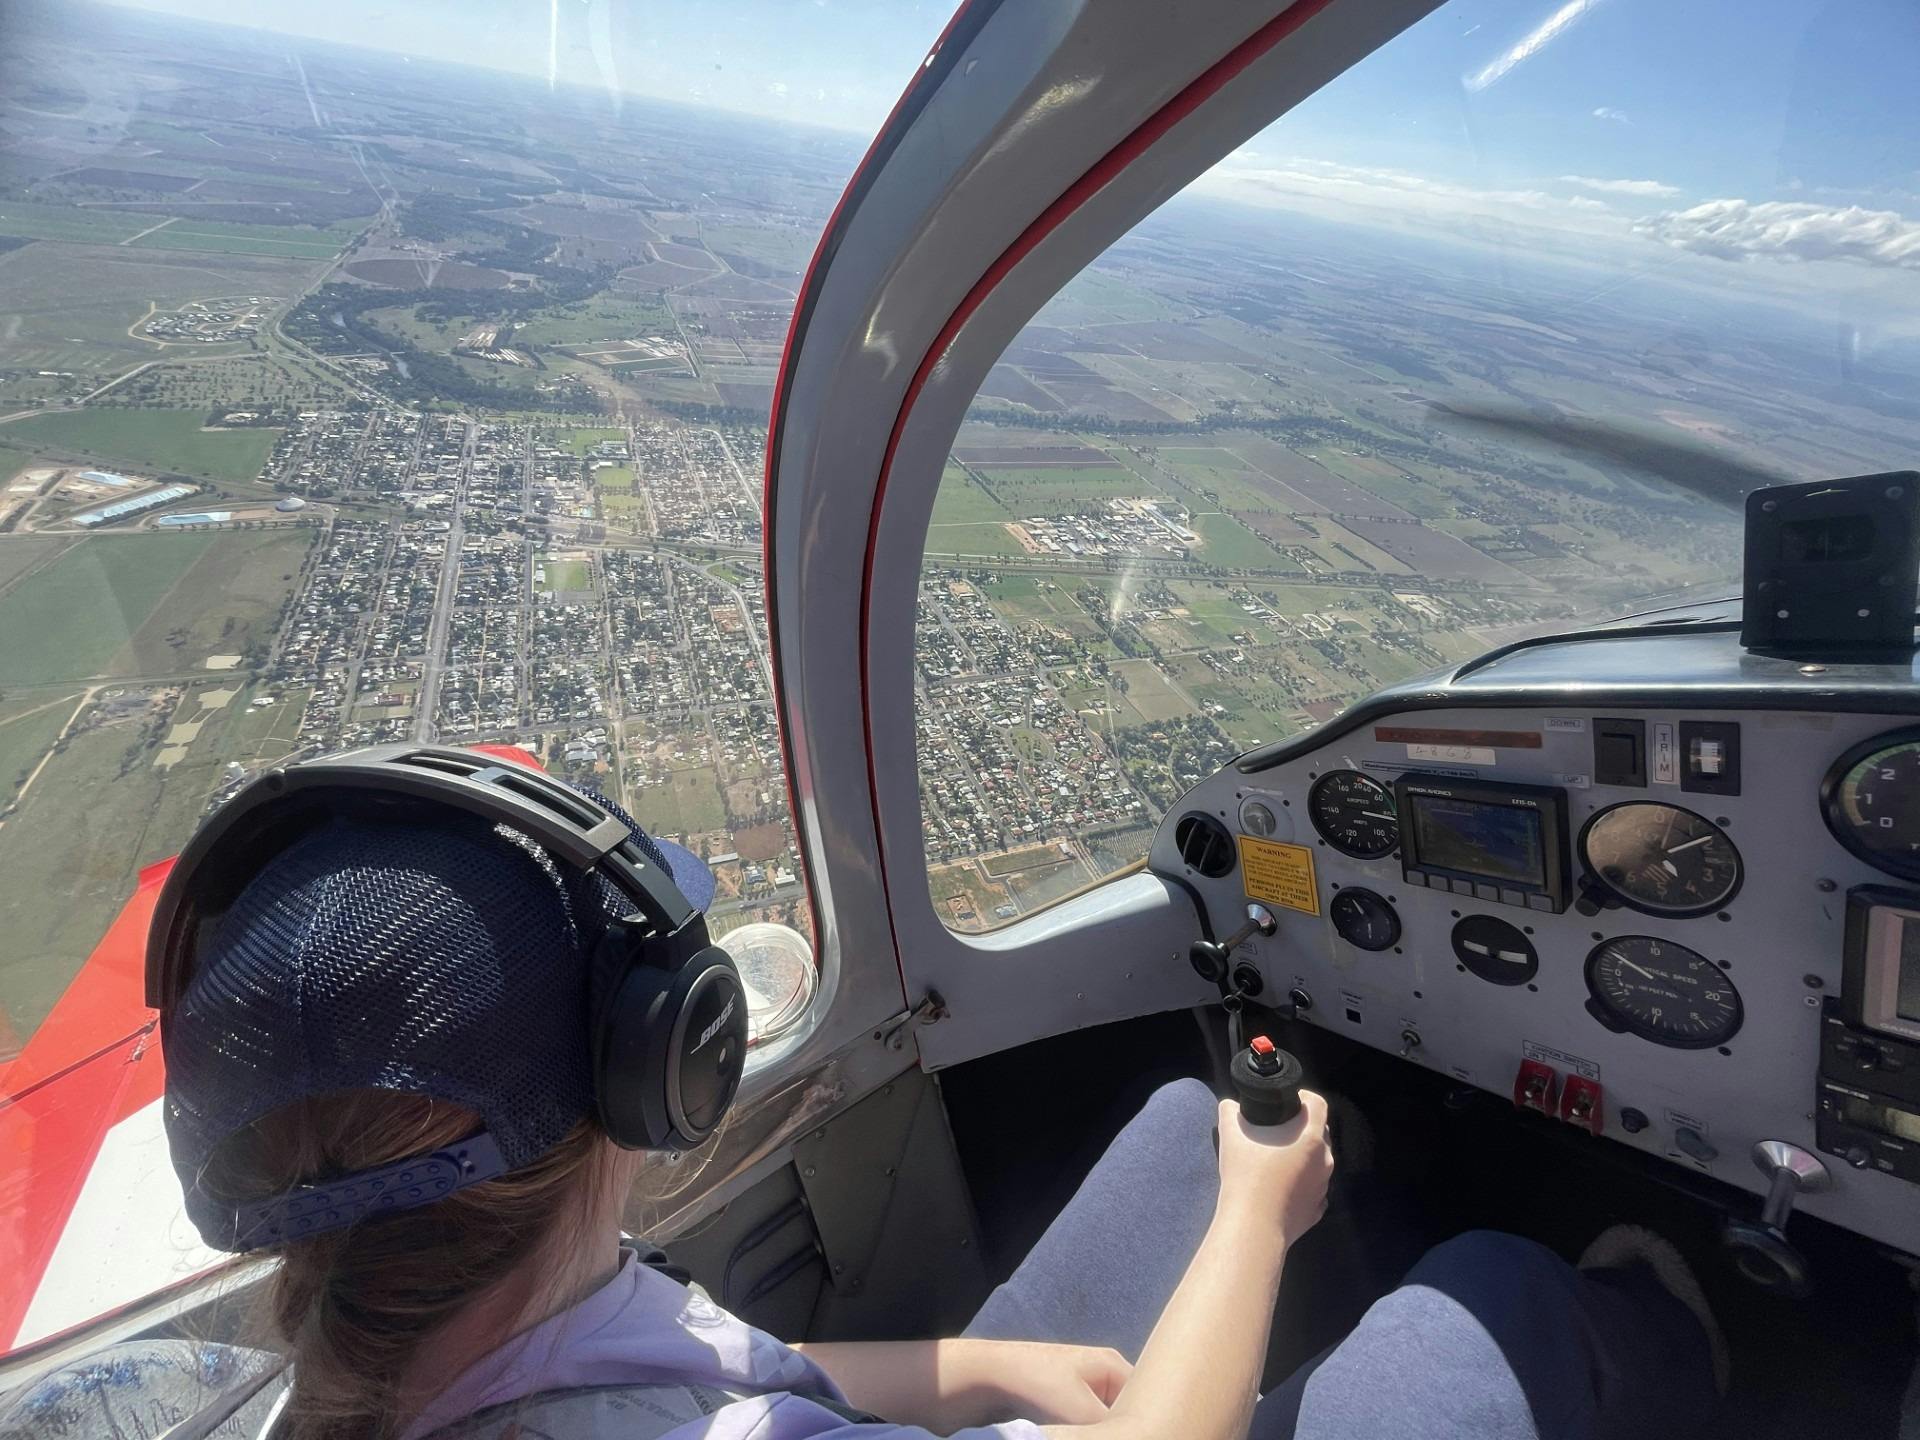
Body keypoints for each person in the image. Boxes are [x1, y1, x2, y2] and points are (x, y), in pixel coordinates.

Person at [0, 766, 1723, 1440]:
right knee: (1482, 1301)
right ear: (649, 1076)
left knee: (1181, 1146)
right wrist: (1271, 1219)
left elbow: (722, 1367)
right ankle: (1686, 1340)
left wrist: (976, 1368)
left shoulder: (381, 1349)